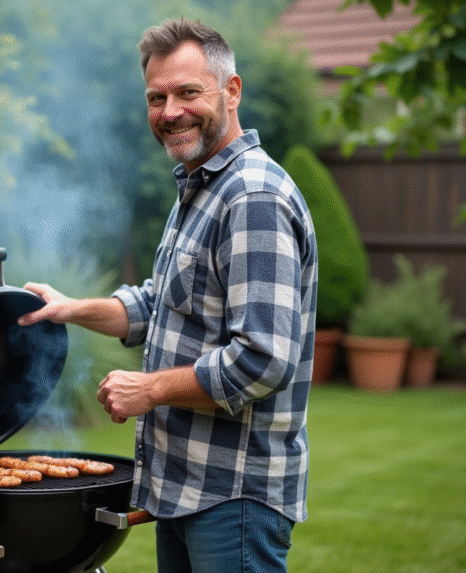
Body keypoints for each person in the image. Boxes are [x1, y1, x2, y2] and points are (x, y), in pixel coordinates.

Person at [18, 18, 317, 573]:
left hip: (233, 496)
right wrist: (74, 309)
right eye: (157, 98)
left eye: (187, 93)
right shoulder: (202, 186)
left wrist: (150, 389)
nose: (170, 111)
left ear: (231, 91)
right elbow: (163, 305)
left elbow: (262, 360)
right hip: (187, 488)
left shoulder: (251, 196)